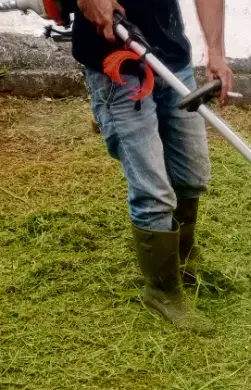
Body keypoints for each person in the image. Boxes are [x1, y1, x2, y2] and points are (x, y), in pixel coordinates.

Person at [72, 0, 234, 333]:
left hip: (172, 58)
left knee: (191, 174)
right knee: (153, 191)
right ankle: (161, 290)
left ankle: (183, 262)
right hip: (116, 65)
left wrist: (216, 52)